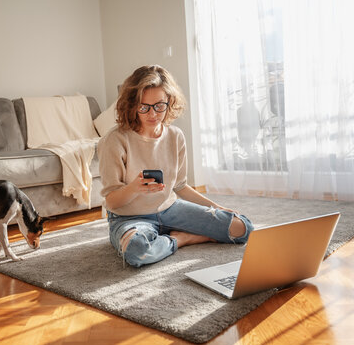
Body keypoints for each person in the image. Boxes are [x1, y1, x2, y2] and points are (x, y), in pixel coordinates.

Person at [97, 65, 254, 268]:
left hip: (170, 209)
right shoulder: (115, 140)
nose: (152, 114)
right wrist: (134, 188)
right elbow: (112, 201)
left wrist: (216, 207)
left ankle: (165, 237)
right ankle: (182, 239)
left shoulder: (175, 136)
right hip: (130, 218)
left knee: (242, 228)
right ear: (132, 105)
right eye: (144, 107)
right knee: (137, 251)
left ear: (169, 102)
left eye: (159, 106)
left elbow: (180, 186)